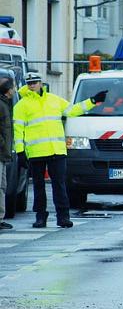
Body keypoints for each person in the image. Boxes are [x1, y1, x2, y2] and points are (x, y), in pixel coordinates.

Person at [13, 71, 107, 228]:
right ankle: (40, 217)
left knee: (59, 185)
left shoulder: (53, 100)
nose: (32, 85)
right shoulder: (21, 105)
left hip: (57, 151)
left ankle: (63, 217)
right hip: (36, 152)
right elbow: (18, 130)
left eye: (35, 82)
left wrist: (92, 101)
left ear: (41, 83)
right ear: (26, 85)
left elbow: (73, 110)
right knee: (38, 186)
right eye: (30, 83)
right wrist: (20, 151)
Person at [0, 78, 14, 229]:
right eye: (13, 87)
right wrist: (4, 146)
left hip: (3, 154)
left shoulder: (5, 103)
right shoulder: (2, 104)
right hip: (1, 152)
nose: (15, 90)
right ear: (8, 90)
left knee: (2, 186)